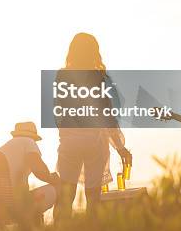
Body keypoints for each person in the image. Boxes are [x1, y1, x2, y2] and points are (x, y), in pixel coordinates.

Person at [53, 32, 132, 220]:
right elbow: (107, 116)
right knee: (93, 197)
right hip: (94, 141)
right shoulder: (98, 78)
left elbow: (59, 111)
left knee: (65, 196)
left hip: (70, 140)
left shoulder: (62, 75)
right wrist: (121, 148)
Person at [0, 121, 60, 219]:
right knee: (60, 189)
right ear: (33, 137)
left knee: (30, 199)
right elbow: (39, 171)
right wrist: (54, 179)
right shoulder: (28, 142)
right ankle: (60, 230)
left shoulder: (1, 149)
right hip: (14, 204)